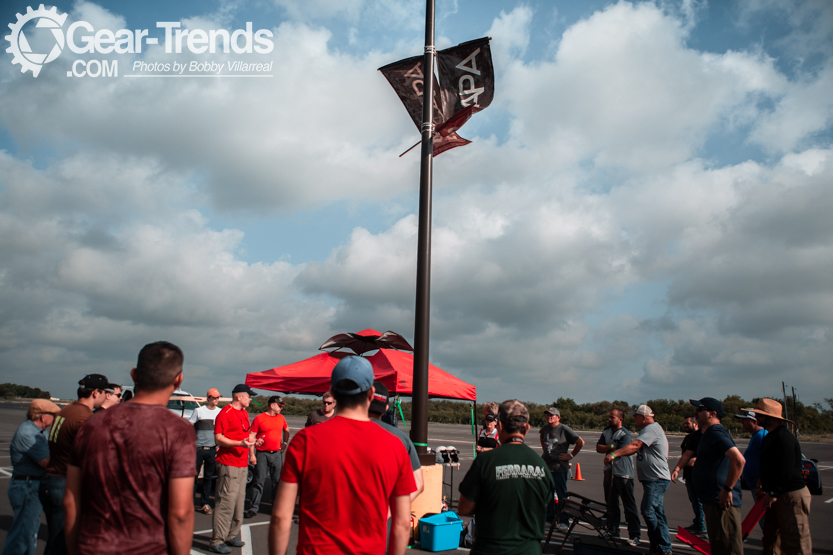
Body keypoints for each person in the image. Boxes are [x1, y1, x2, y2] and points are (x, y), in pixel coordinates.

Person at [268, 356, 416, 555]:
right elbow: (401, 524)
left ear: (334, 393)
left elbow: (280, 517)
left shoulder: (304, 441)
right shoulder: (395, 446)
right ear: (371, 393)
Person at [63, 341, 196, 555]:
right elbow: (181, 513)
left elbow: (71, 501)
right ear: (178, 380)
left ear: (134, 375)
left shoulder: (91, 424)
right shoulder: (177, 430)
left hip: (93, 546)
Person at [457, 399, 554, 555]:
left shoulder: (485, 462)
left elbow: (464, 508)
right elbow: (544, 505)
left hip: (491, 548)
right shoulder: (541, 466)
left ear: (500, 426)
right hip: (529, 550)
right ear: (527, 429)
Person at [40, 373, 108, 555]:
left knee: (55, 541)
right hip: (64, 482)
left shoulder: (66, 410)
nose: (106, 396)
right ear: (95, 392)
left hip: (52, 478)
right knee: (63, 543)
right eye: (104, 392)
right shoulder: (84, 418)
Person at [672, 398, 745, 555]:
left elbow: (739, 459)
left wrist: (727, 488)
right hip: (712, 499)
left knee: (728, 546)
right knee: (718, 545)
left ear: (712, 414)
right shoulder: (706, 434)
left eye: (700, 409)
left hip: (721, 500)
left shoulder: (716, 433)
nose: (695, 412)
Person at [745, 398, 812, 555]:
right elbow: (771, 467)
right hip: (775, 494)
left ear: (771, 418)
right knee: (772, 539)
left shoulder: (784, 437)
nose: (756, 418)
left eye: (760, 415)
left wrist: (774, 492)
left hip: (790, 495)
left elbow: (786, 470)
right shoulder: (770, 436)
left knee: (795, 541)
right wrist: (765, 487)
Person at [605, 405, 672, 555]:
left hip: (657, 478)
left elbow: (635, 445)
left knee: (647, 510)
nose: (634, 419)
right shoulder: (648, 429)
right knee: (657, 512)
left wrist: (614, 454)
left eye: (635, 416)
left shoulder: (651, 429)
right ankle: (662, 546)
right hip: (653, 479)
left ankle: (659, 544)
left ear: (644, 417)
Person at [4, 399, 60, 555]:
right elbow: (46, 462)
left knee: (29, 534)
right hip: (27, 487)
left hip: (30, 485)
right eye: (53, 415)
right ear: (43, 417)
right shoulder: (28, 433)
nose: (55, 419)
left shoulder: (39, 432)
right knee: (22, 536)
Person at [210, 384, 258, 554]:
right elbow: (218, 438)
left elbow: (246, 435)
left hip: (242, 463)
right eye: (248, 396)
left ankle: (232, 535)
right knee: (225, 503)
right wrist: (240, 443)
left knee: (238, 503)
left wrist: (254, 443)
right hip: (228, 464)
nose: (250, 399)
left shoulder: (244, 413)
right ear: (239, 397)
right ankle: (217, 540)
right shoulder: (225, 413)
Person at [368, 381, 424, 502]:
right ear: (386, 407)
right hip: (388, 515)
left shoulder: (343, 432)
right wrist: (394, 509)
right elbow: (419, 484)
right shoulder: (401, 438)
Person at [596, 408, 640, 546]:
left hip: (623, 474)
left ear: (620, 419)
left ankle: (635, 535)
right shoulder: (606, 431)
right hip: (609, 472)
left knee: (629, 505)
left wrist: (612, 449)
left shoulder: (625, 434)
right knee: (611, 503)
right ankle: (613, 529)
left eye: (612, 417)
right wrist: (612, 446)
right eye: (609, 417)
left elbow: (623, 450)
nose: (609, 419)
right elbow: (598, 448)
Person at [539, 407, 584, 531]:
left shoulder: (564, 429)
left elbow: (580, 442)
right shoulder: (544, 428)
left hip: (559, 467)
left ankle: (564, 520)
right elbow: (542, 438)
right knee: (548, 494)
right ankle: (549, 518)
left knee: (561, 494)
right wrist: (545, 451)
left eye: (552, 415)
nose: (549, 417)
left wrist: (570, 455)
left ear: (558, 417)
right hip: (547, 466)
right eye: (548, 415)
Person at [246, 395, 290, 518]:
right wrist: (252, 454)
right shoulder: (259, 419)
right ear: (272, 405)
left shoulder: (281, 418)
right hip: (262, 454)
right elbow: (252, 436)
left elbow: (286, 431)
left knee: (277, 481)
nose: (281, 408)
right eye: (279, 406)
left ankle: (275, 507)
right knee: (259, 481)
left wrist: (285, 443)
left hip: (276, 454)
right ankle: (254, 507)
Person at [189, 387, 222, 515]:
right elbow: (189, 426)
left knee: (209, 477)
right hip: (198, 449)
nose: (216, 400)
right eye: (213, 398)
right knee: (194, 477)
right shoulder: (198, 411)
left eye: (217, 397)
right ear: (208, 398)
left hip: (212, 449)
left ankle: (204, 503)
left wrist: (219, 445)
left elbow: (222, 430)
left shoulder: (220, 412)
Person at [676, 415, 705, 535]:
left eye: (687, 423)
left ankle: (701, 525)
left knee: (699, 501)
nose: (685, 425)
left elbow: (704, 455)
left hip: (698, 474)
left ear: (695, 424)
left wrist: (694, 460)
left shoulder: (701, 437)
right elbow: (684, 454)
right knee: (694, 500)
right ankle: (698, 522)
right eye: (684, 423)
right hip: (688, 474)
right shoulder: (688, 438)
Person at [734, 410, 767, 496]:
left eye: (744, 419)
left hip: (759, 485)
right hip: (754, 484)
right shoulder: (756, 435)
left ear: (754, 421)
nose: (741, 422)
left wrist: (763, 478)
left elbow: (769, 458)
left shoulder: (761, 436)